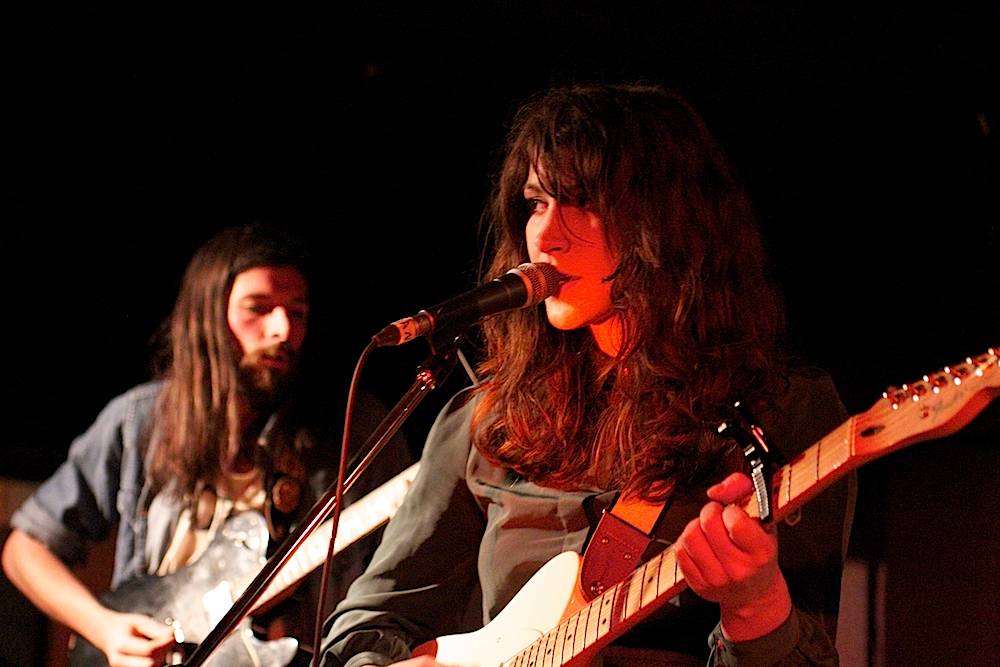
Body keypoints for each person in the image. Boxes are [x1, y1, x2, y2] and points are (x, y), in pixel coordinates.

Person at [319, 83, 855, 666]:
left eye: (581, 202)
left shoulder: (779, 410)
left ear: (667, 223)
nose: (545, 237)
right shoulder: (490, 418)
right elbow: (373, 615)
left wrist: (754, 607)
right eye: (535, 203)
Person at [2, 223, 410, 667]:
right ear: (209, 315)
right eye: (259, 308)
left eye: (297, 313)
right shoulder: (139, 420)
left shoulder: (355, 425)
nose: (282, 329)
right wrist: (102, 627)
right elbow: (26, 549)